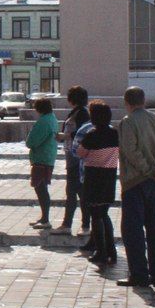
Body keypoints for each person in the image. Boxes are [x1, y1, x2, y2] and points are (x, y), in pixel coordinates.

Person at [118, 85, 155, 288]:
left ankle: (139, 275)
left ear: (127, 103)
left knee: (133, 231)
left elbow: (130, 151)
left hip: (135, 183)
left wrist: (150, 170)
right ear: (144, 101)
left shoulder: (128, 122)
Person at [76, 100, 119, 266]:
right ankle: (111, 250)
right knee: (104, 214)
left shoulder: (92, 135)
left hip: (94, 176)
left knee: (95, 215)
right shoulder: (115, 133)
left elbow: (80, 152)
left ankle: (101, 252)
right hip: (109, 175)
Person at [51, 86, 91, 236]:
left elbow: (82, 132)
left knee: (74, 192)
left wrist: (65, 136)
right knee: (77, 192)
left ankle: (71, 225)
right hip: (72, 157)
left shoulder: (81, 113)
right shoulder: (77, 112)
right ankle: (80, 225)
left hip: (77, 158)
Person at [25, 97, 58, 228]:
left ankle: (45, 219)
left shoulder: (44, 121)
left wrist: (30, 141)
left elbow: (31, 141)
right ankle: (44, 216)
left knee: (40, 188)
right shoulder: (52, 118)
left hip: (41, 158)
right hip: (47, 156)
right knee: (41, 187)